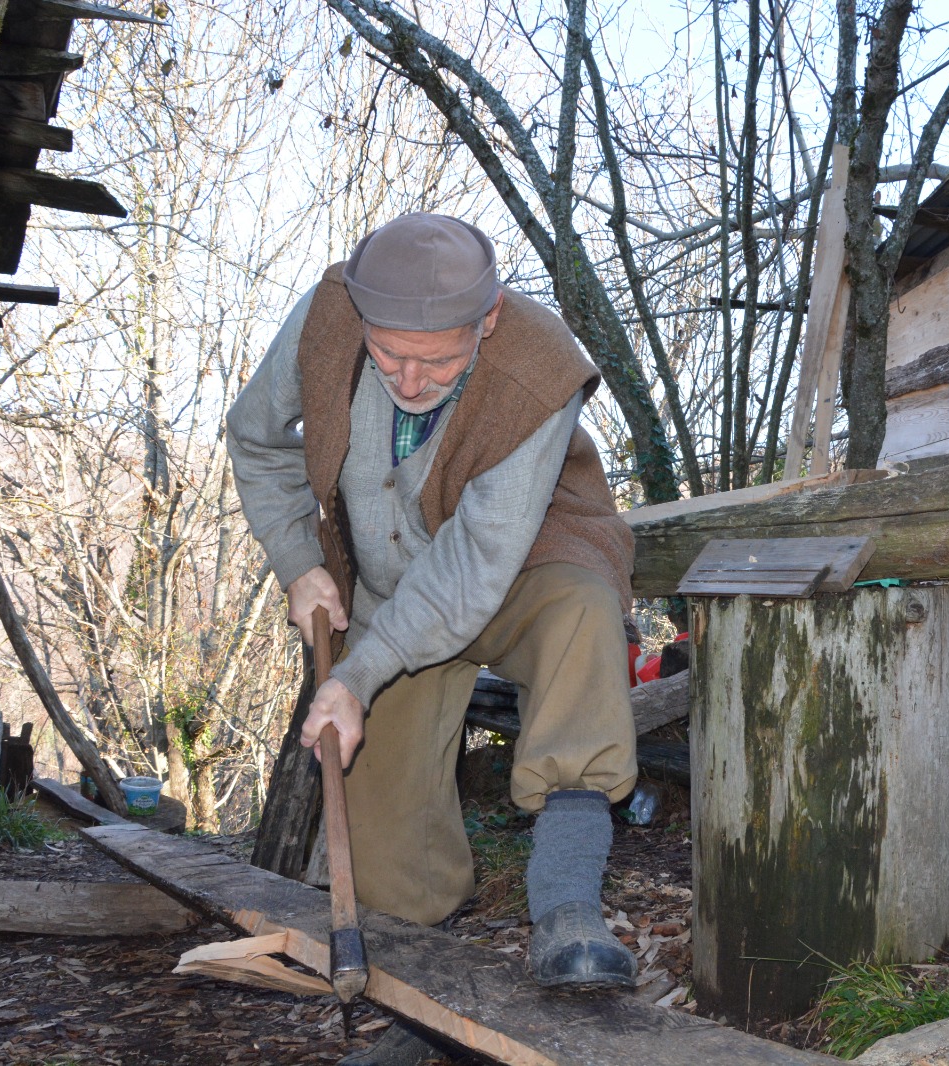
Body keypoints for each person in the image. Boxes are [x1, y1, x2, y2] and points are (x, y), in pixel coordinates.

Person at [225, 213, 639, 1064]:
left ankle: (565, 906)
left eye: (440, 360)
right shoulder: (325, 322)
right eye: (388, 356)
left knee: (581, 622)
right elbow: (257, 439)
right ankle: (433, 1015)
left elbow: (474, 568)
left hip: (525, 562)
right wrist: (301, 562)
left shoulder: (539, 365)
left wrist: (360, 671)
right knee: (382, 859)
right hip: (389, 587)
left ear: (485, 323)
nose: (410, 380)